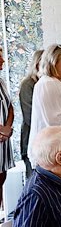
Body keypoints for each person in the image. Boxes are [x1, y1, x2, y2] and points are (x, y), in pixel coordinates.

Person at [19, 49, 44, 178]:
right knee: (35, 181)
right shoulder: (28, 84)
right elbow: (30, 117)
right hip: (32, 141)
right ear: (37, 64)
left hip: (49, 142)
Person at [0, 47, 15, 209]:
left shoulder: (1, 82)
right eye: (0, 57)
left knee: (1, 179)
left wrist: (7, 127)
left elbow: (10, 106)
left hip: (3, 141)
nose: (3, 60)